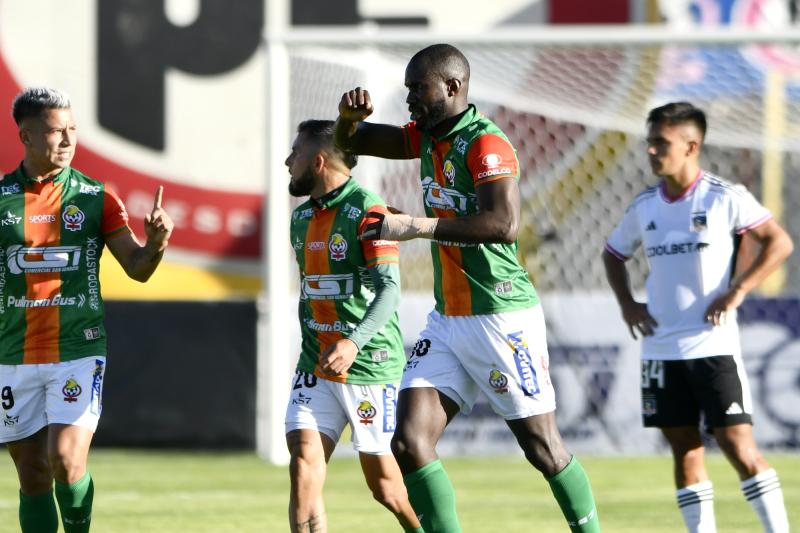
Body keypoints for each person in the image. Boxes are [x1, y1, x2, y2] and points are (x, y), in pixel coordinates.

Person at [335, 44, 601, 533]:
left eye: (419, 88)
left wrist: (415, 227)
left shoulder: (486, 144)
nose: (409, 98)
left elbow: (504, 224)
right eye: (408, 88)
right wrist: (348, 122)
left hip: (502, 315)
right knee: (408, 442)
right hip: (449, 319)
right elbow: (357, 142)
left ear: (452, 87)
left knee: (543, 449)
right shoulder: (426, 138)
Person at [602, 102, 793, 533]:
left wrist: (738, 289)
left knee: (737, 445)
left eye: (661, 143)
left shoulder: (724, 197)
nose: (651, 151)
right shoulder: (645, 205)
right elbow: (613, 254)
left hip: (713, 344)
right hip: (660, 350)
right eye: (650, 142)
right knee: (685, 451)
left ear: (691, 146)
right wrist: (627, 303)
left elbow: (779, 242)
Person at [0, 87, 173, 532]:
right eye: (56, 131)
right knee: (32, 474)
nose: (67, 140)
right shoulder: (2, 199)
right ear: (26, 136)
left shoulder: (96, 197)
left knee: (65, 459)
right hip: (13, 353)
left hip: (77, 348)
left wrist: (156, 243)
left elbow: (138, 268)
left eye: (73, 130)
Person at [284, 119, 422, 533]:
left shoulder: (368, 212)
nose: (288, 161)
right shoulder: (300, 218)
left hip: (368, 366)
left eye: (296, 153)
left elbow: (389, 291)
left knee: (387, 489)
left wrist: (353, 343)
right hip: (315, 366)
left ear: (319, 162)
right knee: (303, 466)